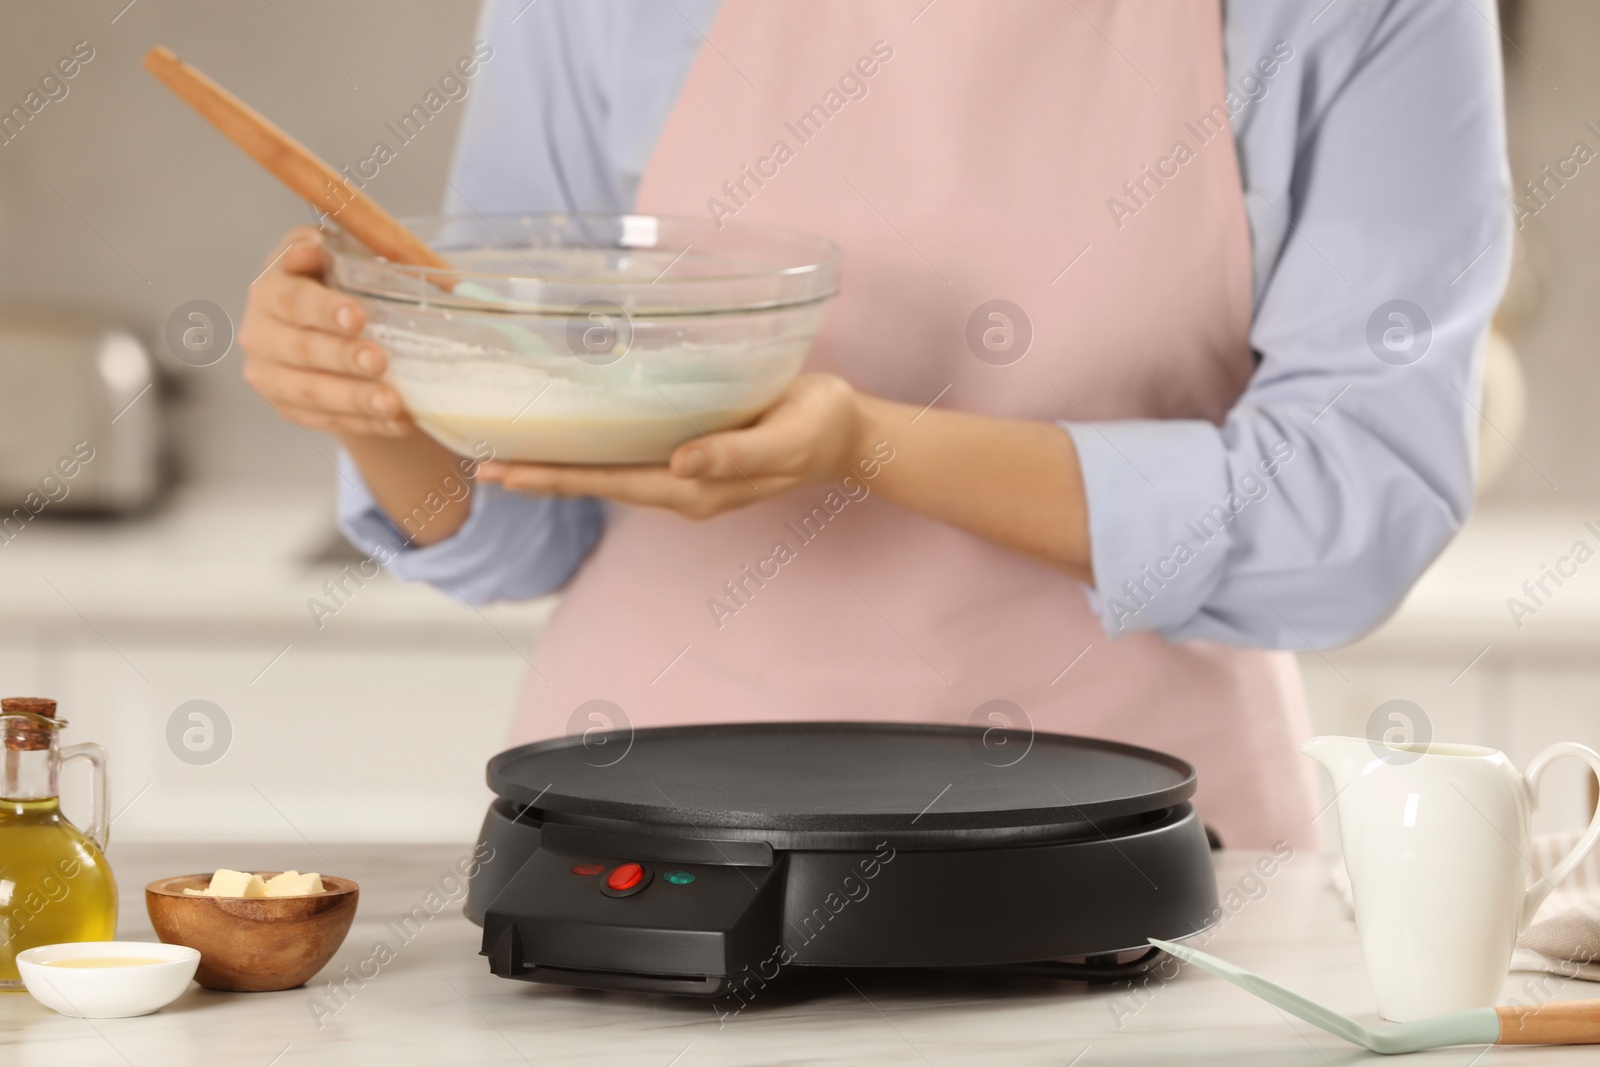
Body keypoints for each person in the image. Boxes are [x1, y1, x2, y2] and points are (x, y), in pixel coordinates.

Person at [238, 0, 1509, 849]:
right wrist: (373, 400)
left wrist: (869, 445)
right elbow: (512, 532)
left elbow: (1355, 505)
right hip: (651, 845)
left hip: (1137, 850)